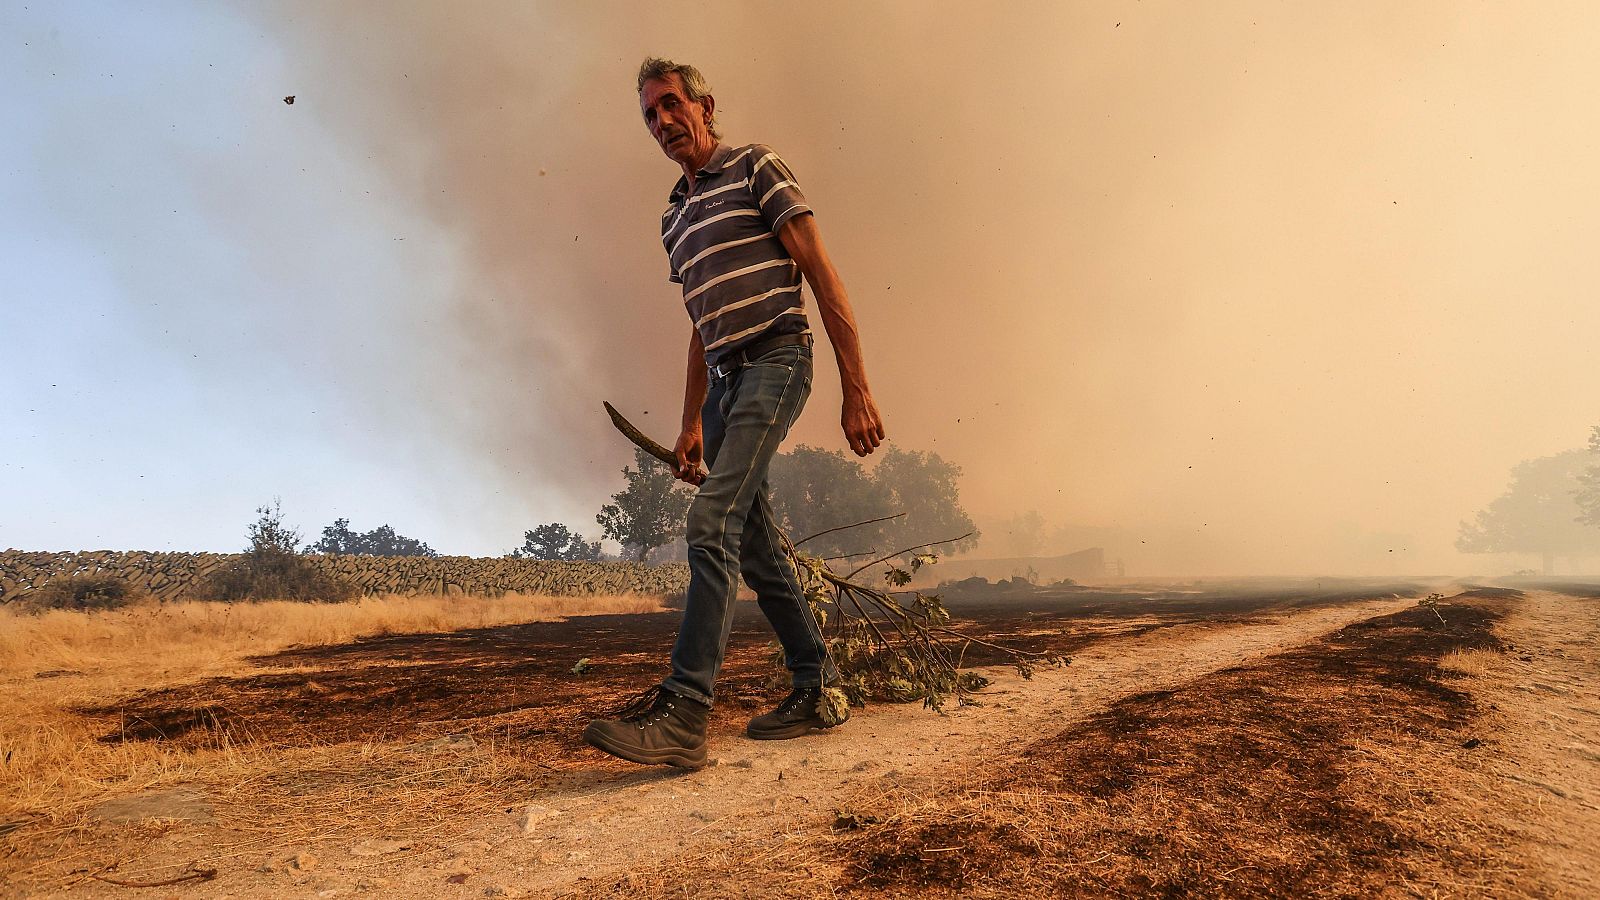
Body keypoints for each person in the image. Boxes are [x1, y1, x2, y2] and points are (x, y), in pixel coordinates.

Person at [583, 58, 885, 768]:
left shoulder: (757, 167)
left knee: (709, 522)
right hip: (723, 386)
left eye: (670, 105)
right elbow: (701, 322)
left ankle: (685, 713)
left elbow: (820, 270)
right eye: (649, 116)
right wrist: (691, 424)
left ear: (705, 106)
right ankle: (818, 686)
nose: (662, 123)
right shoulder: (674, 217)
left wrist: (858, 388)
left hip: (778, 360)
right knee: (752, 542)